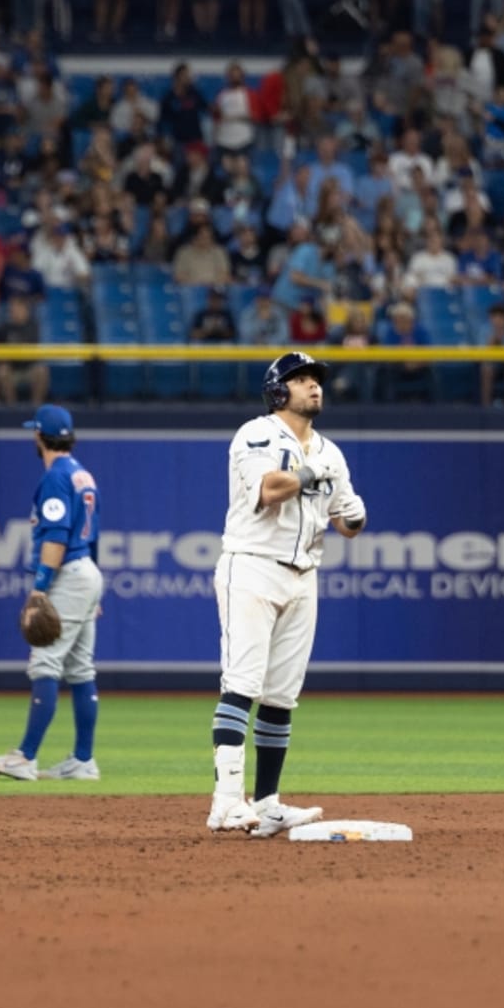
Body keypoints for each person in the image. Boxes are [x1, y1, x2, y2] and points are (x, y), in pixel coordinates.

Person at [207, 352, 368, 837]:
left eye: (316, 379)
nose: (313, 386)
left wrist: (355, 516)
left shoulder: (330, 451)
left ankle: (268, 804)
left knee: (281, 697)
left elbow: (346, 522)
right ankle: (225, 803)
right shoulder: (257, 433)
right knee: (242, 684)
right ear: (279, 391)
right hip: (252, 566)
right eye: (301, 379)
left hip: (303, 575)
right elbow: (270, 489)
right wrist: (313, 473)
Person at [0, 406, 106, 783]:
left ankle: (25, 757)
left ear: (38, 435)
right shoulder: (82, 474)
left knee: (45, 663)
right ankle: (82, 761)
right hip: (87, 570)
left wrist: (39, 590)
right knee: (80, 669)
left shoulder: (56, 477)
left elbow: (56, 537)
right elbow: (93, 535)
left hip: (68, 572)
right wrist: (93, 593)